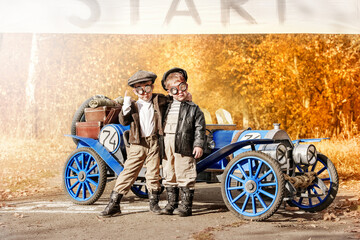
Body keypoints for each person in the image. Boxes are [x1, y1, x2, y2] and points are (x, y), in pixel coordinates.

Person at [99, 70, 168, 217]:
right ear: (135, 91)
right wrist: (125, 106)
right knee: (129, 172)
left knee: (153, 172)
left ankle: (154, 203)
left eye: (147, 88)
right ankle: (114, 203)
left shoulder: (159, 100)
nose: (144, 93)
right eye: (140, 90)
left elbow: (172, 99)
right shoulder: (133, 106)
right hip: (138, 143)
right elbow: (123, 121)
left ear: (152, 87)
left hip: (154, 141)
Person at [159, 67, 206, 217]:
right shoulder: (166, 106)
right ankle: (171, 203)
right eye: (174, 90)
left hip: (185, 144)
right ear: (169, 92)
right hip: (167, 143)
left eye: (182, 87)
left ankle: (186, 206)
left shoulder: (193, 108)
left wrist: (198, 144)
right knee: (169, 172)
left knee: (185, 171)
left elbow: (200, 128)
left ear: (186, 86)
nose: (180, 92)